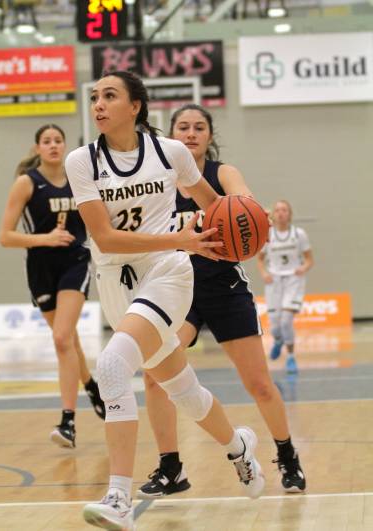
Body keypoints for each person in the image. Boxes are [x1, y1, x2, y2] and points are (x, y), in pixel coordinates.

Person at [65, 71, 265, 531]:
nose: (98, 104)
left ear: (135, 106)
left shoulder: (171, 152)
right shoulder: (83, 161)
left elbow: (214, 205)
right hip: (116, 281)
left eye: (109, 96)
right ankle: (238, 445)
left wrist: (241, 225)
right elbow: (105, 238)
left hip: (168, 273)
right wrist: (181, 234)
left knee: (113, 366)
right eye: (95, 97)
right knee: (183, 389)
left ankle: (118, 496)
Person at [137, 104, 307, 501]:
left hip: (224, 288)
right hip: (176, 291)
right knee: (154, 374)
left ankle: (287, 454)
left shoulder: (221, 173)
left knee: (259, 383)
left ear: (209, 136)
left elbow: (242, 201)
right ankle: (171, 467)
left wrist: (248, 211)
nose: (191, 133)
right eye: (183, 127)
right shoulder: (156, 181)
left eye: (199, 127)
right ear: (170, 135)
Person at [0, 124, 105, 449]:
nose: (54, 145)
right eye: (47, 141)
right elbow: (5, 236)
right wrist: (45, 238)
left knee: (61, 338)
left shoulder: (80, 181)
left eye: (58, 140)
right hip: (41, 267)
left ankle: (68, 422)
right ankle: (91, 386)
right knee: (68, 340)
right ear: (37, 149)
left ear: (64, 146)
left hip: (75, 262)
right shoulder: (27, 183)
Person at [257, 199, 314, 374]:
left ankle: (290, 357)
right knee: (275, 326)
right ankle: (279, 340)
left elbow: (309, 259)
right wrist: (264, 273)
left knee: (286, 321)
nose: (281, 213)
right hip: (274, 281)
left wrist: (303, 267)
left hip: (293, 280)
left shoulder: (299, 234)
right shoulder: (268, 234)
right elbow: (260, 258)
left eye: (284, 210)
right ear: (273, 214)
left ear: (289, 214)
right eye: (278, 210)